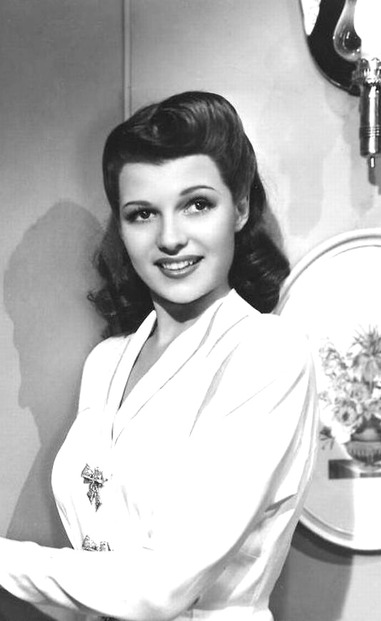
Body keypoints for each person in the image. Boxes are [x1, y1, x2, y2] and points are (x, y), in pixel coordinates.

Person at [0, 91, 318, 621]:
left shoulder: (269, 354)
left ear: (240, 208)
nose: (170, 238)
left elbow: (161, 588)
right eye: (143, 213)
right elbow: (98, 569)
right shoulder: (107, 363)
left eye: (197, 205)